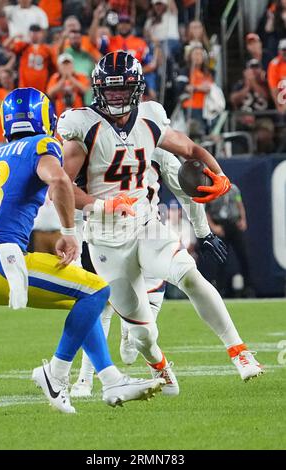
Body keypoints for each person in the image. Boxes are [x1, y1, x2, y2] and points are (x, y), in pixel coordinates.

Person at [57, 51, 263, 393]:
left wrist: (220, 175)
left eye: (124, 89)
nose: (117, 96)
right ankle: (160, 366)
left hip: (144, 224)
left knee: (189, 274)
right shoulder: (82, 126)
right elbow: (61, 189)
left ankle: (239, 352)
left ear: (137, 89)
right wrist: (102, 204)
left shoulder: (150, 119)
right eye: (111, 90)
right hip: (105, 237)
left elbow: (191, 150)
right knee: (142, 335)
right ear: (98, 90)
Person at [0, 86, 164, 413]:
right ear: (45, 117)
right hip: (1, 260)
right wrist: (69, 232)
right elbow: (59, 182)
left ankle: (111, 380)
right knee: (96, 290)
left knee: (82, 294)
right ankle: (55, 373)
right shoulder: (42, 144)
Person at [71, 148, 228, 398]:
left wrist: (203, 232)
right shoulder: (96, 145)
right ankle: (85, 379)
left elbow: (188, 194)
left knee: (138, 340)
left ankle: (132, 334)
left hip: (149, 233)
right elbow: (74, 198)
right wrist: (74, 239)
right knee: (100, 306)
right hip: (108, 237)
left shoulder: (156, 146)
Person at [205, 184, 255, 298]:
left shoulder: (234, 189)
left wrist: (243, 219)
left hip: (234, 223)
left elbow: (239, 204)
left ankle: (248, 287)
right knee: (220, 259)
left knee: (243, 256)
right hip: (220, 225)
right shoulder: (210, 190)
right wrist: (213, 227)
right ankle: (219, 289)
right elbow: (206, 211)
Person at [4, 24, 55, 93]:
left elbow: (54, 66)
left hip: (41, 87)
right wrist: (14, 36)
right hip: (25, 86)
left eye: (37, 32)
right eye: (32, 32)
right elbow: (6, 45)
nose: (34, 34)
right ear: (29, 34)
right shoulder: (24, 46)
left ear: (41, 34)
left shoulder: (47, 49)